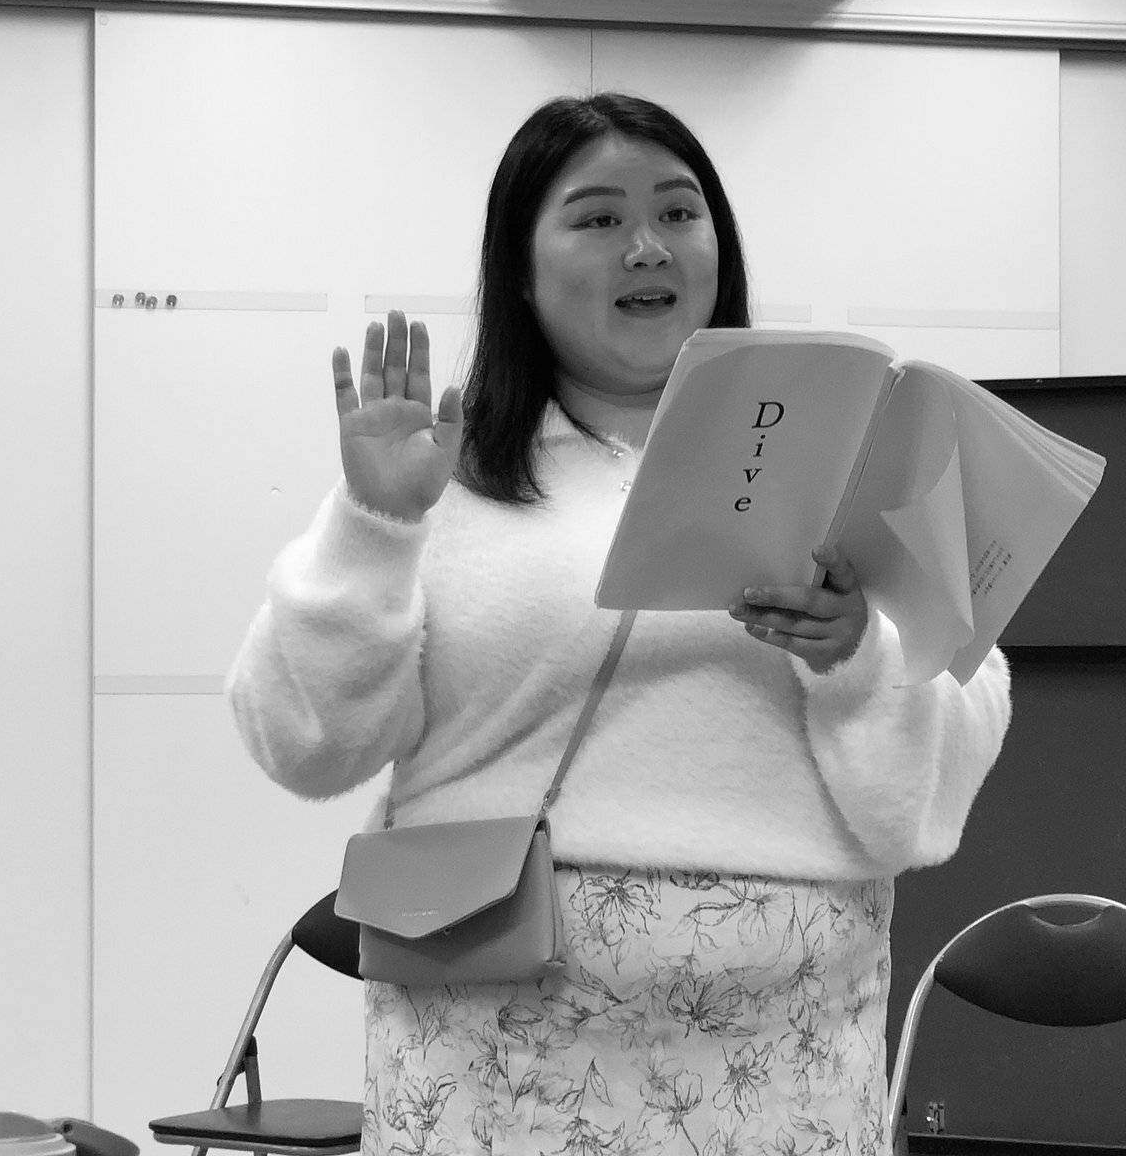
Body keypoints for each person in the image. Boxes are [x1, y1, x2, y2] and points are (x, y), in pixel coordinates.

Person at [227, 92, 1011, 1156]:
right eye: (598, 218)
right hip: (494, 1054)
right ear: (520, 267)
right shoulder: (442, 473)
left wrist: (857, 653)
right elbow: (304, 744)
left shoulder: (854, 454)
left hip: (782, 1058)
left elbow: (958, 749)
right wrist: (373, 528)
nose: (648, 246)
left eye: (679, 212)